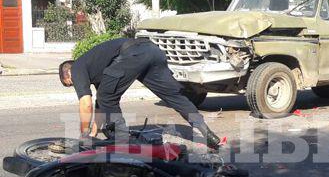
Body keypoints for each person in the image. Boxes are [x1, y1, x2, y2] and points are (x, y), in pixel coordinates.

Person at [59, 37, 222, 150]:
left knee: (106, 97)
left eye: (71, 84)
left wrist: (84, 134)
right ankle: (207, 133)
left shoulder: (78, 67)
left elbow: (86, 103)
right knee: (174, 96)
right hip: (152, 51)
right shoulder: (96, 68)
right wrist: (94, 132)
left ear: (68, 74)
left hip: (133, 54)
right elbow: (101, 104)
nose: (76, 86)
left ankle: (123, 142)